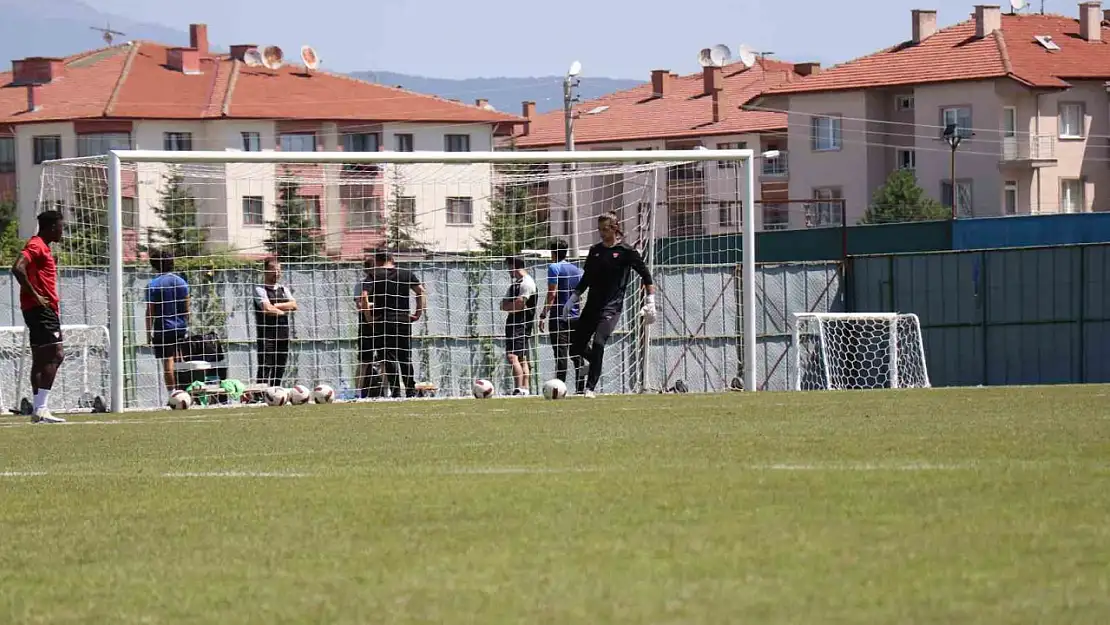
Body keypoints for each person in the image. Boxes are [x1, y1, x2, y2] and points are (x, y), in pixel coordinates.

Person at [564, 212, 657, 397]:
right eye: (599, 229)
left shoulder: (627, 251)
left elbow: (646, 276)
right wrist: (573, 298)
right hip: (592, 305)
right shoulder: (595, 250)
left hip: (611, 307)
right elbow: (587, 278)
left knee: (599, 342)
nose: (602, 233)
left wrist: (650, 301)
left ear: (615, 228)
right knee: (575, 347)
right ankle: (594, 365)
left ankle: (590, 387)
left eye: (605, 229)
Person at [12, 210, 66, 423]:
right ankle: (41, 407)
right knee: (56, 354)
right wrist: (37, 296)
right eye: (61, 227)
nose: (63, 231)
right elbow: (17, 267)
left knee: (41, 358)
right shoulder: (36, 245)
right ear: (52, 227)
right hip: (41, 310)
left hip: (36, 309)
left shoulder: (44, 248)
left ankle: (38, 409)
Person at [357, 250, 426, 398]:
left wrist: (369, 318)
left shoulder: (374, 275)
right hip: (403, 320)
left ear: (377, 261)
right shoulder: (406, 273)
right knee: (405, 356)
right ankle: (410, 390)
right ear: (392, 259)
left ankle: (395, 391)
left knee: (388, 357)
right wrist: (418, 312)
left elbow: (364, 297)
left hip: (384, 321)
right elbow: (420, 291)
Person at [537, 239, 584, 393]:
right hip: (576, 318)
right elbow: (579, 295)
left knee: (561, 354)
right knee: (577, 354)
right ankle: (581, 389)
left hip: (559, 318)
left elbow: (552, 294)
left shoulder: (554, 267)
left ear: (553, 253)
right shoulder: (578, 270)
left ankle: (558, 389)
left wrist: (543, 313)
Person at [145, 249, 190, 394]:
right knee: (180, 359)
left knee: (168, 361)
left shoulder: (153, 285)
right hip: (181, 327)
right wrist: (186, 325)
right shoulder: (181, 282)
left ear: (155, 266)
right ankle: (184, 390)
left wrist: (148, 333)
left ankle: (173, 394)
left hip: (163, 328)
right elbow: (187, 309)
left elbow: (150, 312)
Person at [254, 257, 298, 387]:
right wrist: (283, 308)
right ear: (266, 271)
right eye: (274, 270)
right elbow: (267, 308)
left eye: (279, 270)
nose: (277, 273)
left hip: (283, 334)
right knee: (265, 365)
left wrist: (276, 306)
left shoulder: (284, 289)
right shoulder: (260, 289)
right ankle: (259, 394)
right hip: (266, 335)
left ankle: (275, 391)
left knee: (280, 366)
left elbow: (294, 305)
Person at [500, 256, 538, 394]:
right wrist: (510, 305)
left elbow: (519, 305)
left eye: (509, 267)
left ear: (514, 266)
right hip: (514, 324)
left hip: (520, 325)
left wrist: (509, 306)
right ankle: (525, 389)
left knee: (512, 356)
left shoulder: (526, 284)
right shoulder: (516, 284)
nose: (508, 270)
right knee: (522, 357)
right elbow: (502, 304)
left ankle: (518, 388)